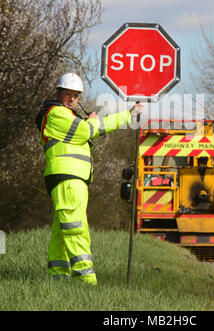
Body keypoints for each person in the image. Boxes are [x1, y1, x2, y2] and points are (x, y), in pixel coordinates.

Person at [35, 72, 143, 284]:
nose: (73, 99)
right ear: (58, 93)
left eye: (76, 96)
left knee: (62, 229)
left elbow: (88, 129)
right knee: (76, 227)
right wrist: (99, 120)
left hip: (70, 178)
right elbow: (86, 132)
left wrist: (126, 116)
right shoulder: (56, 113)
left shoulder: (66, 115)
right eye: (68, 94)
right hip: (68, 178)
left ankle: (58, 276)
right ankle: (86, 279)